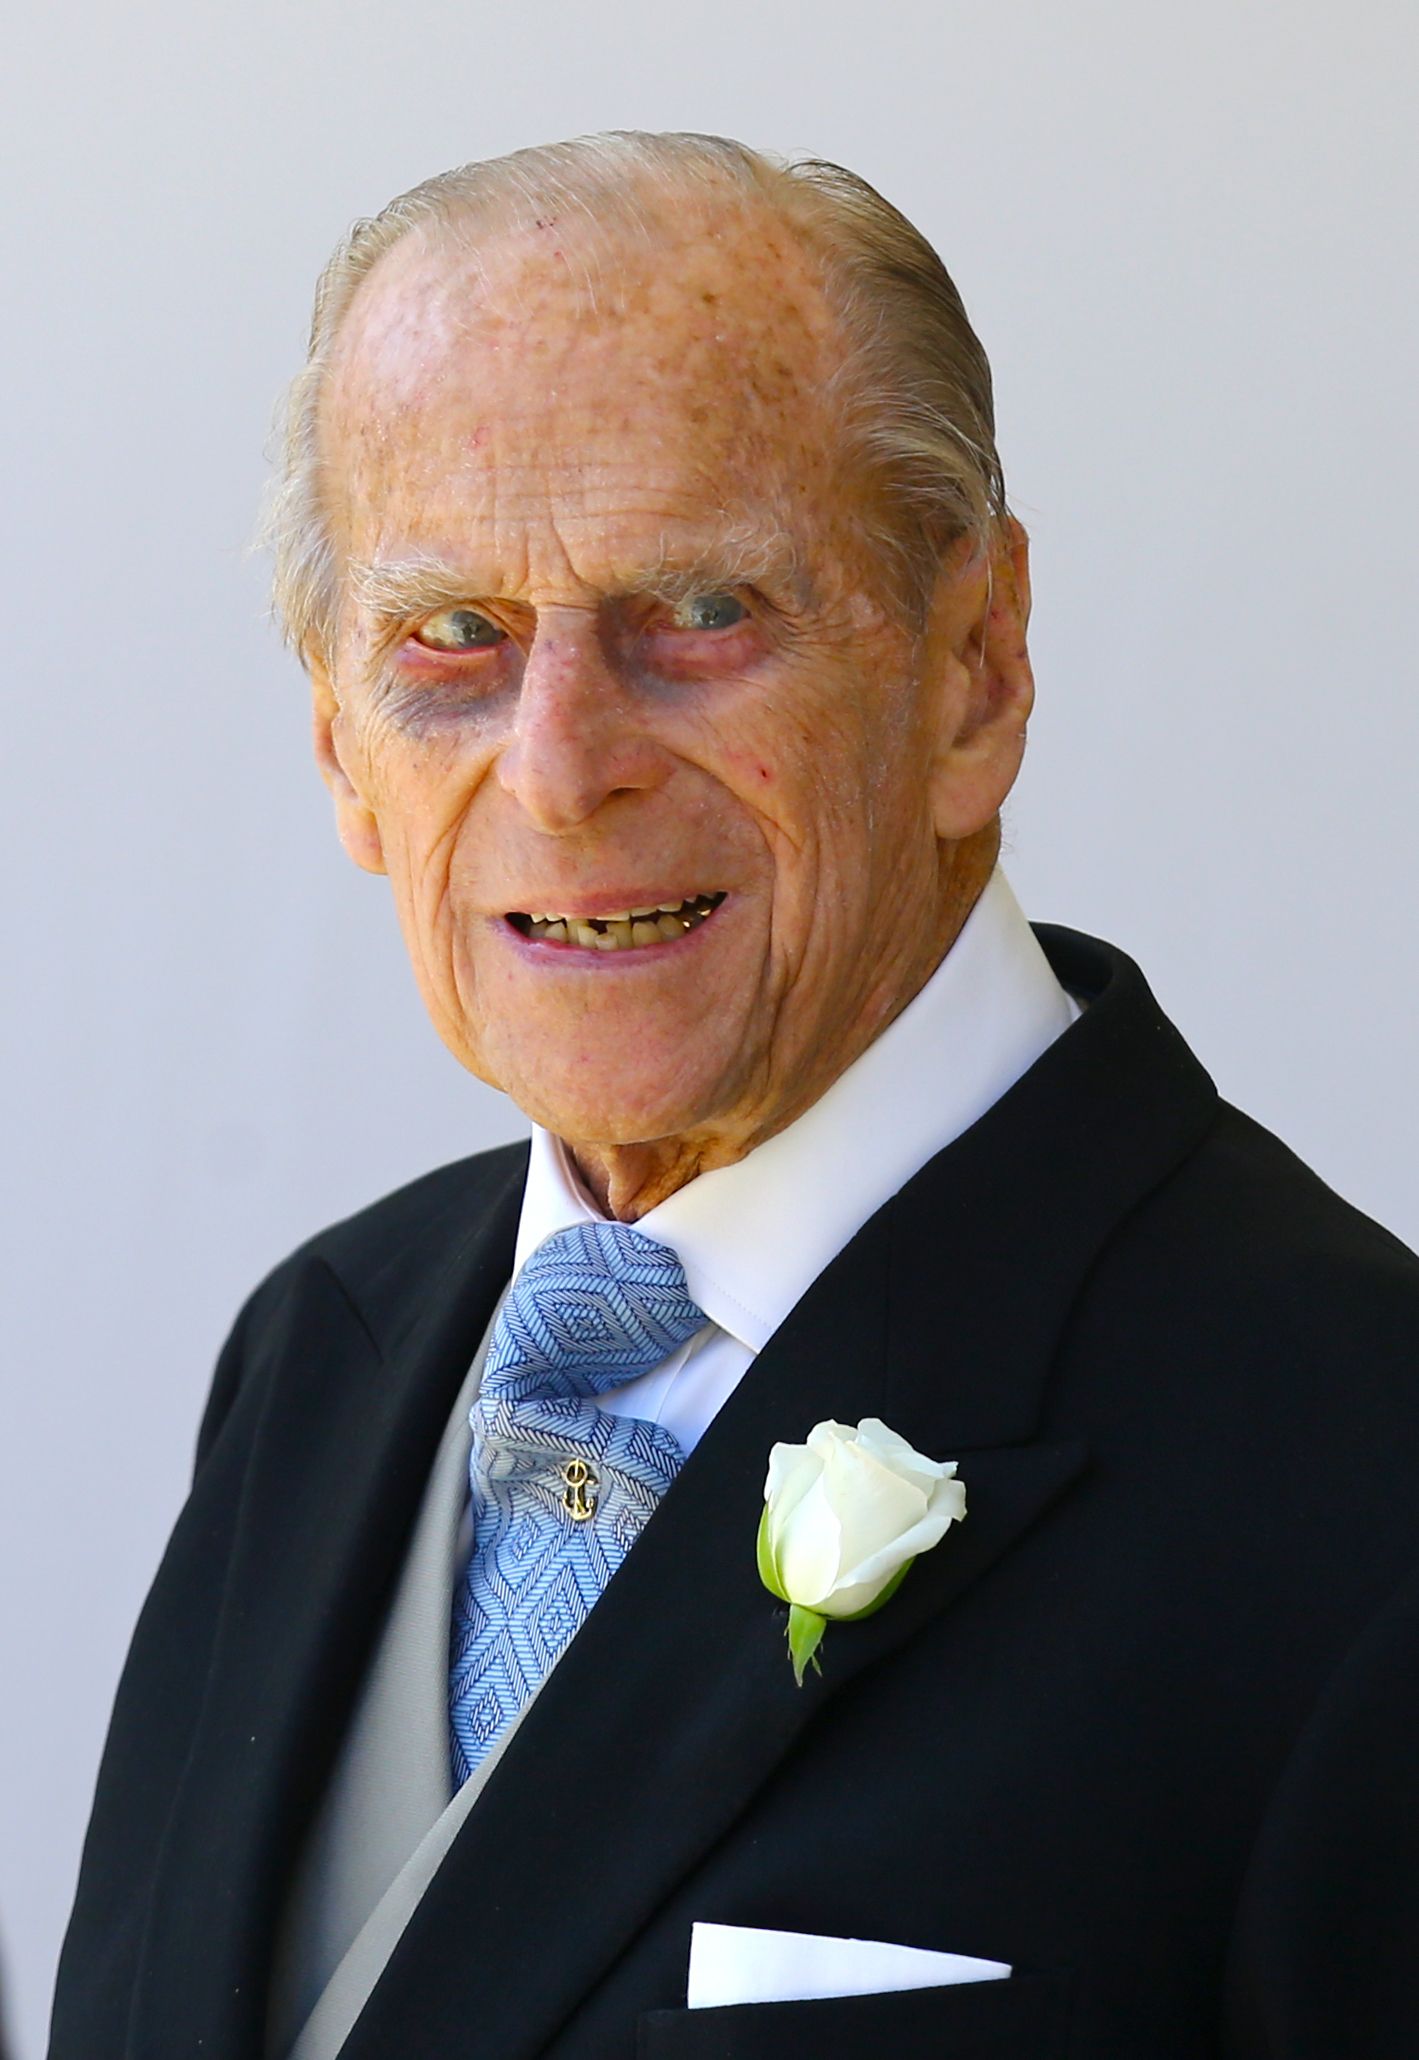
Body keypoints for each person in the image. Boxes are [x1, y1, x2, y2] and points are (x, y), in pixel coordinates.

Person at [50, 131, 1419, 2060]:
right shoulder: (317, 1360)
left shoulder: (1365, 1477)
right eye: (454, 640)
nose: (559, 768)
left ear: (975, 670)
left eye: (697, 611)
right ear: (340, 745)